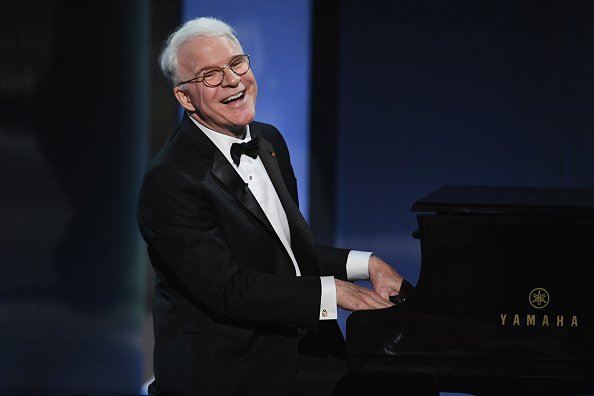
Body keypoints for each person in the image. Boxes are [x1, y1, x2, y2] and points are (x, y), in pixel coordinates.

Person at [137, 16, 414, 396]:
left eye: (236, 63)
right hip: (229, 368)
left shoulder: (268, 140)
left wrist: (367, 264)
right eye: (211, 75)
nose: (233, 80)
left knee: (410, 379)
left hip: (295, 346)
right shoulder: (171, 180)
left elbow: (284, 252)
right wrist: (332, 292)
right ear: (185, 98)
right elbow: (228, 289)